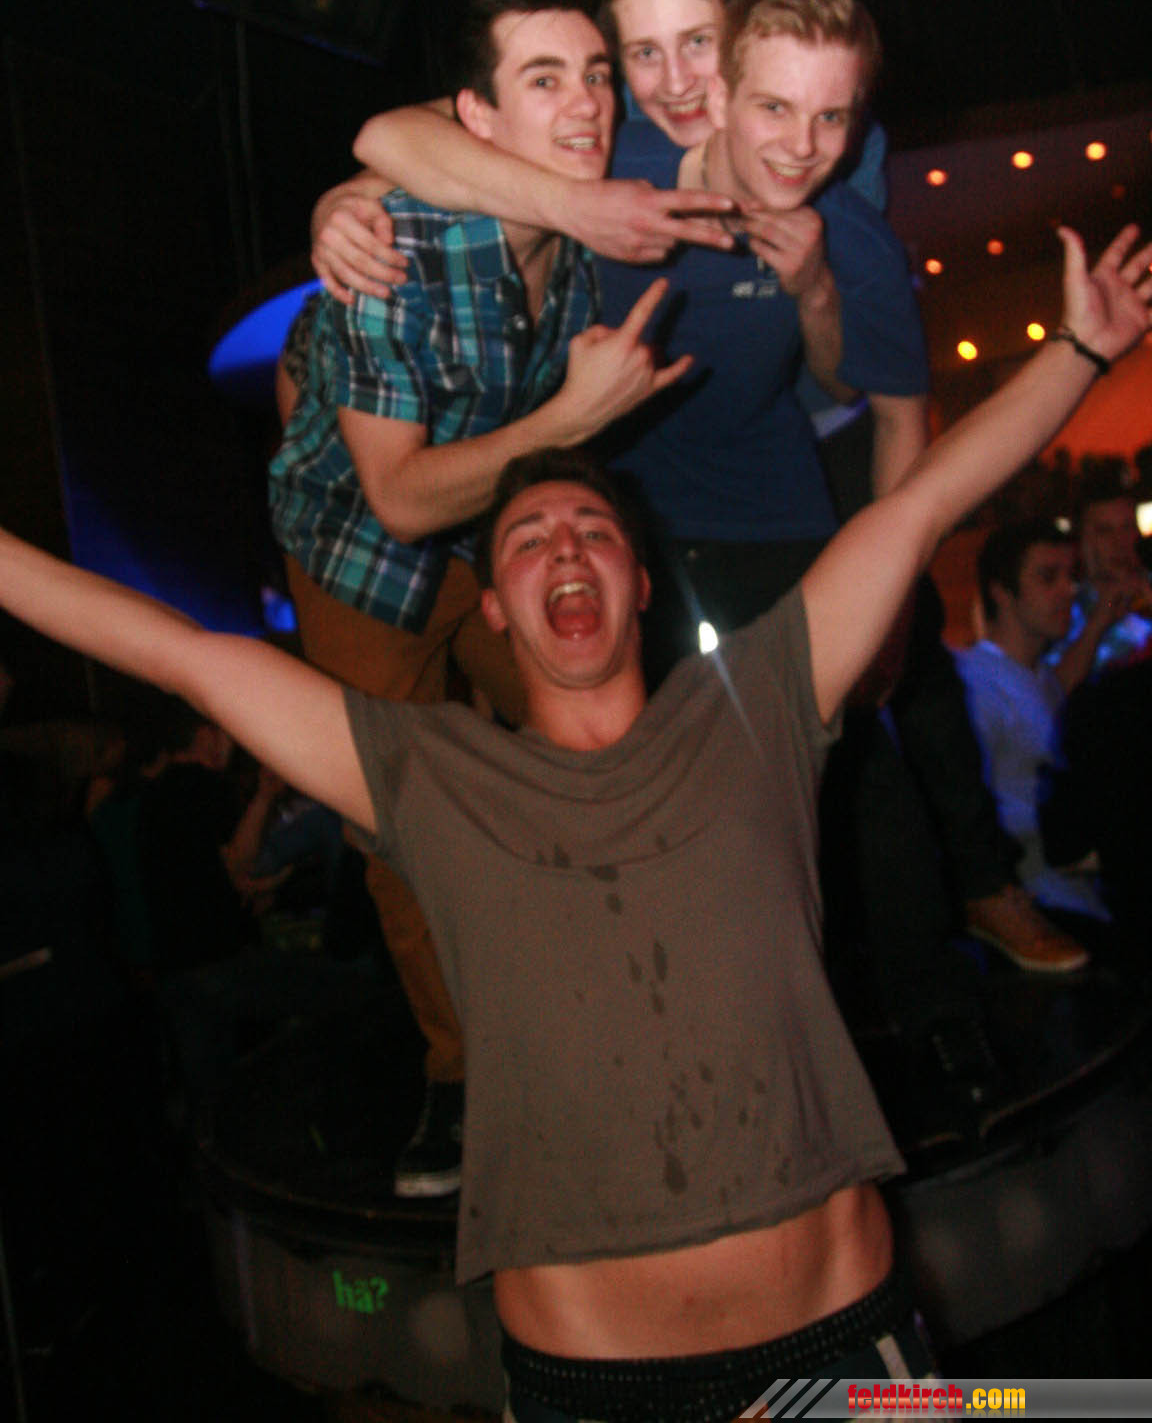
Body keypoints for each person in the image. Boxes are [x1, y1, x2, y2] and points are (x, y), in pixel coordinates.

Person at [1, 222, 1147, 1417]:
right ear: (496, 608)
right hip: (590, 1392)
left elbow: (918, 509)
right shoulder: (427, 771)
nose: (566, 548)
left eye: (596, 532)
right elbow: (181, 655)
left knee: (1088, 1411)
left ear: (639, 584)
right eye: (529, 540)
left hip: (841, 1367)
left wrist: (1081, 351)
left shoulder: (758, 702)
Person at [267, 0, 692, 1197]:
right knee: (407, 826)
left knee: (605, 750)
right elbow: (400, 499)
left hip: (489, 542)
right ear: (478, 119)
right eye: (544, 80)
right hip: (358, 557)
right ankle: (465, 1078)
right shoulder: (395, 250)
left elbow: (390, 138)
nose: (588, 105)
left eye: (596, 75)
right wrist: (573, 417)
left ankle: (640, 1010)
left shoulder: (602, 208)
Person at [314, 0, 929, 661]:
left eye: (830, 117)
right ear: (725, 99)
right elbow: (404, 138)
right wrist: (345, 199)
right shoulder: (608, 162)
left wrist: (895, 601)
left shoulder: (857, 238)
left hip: (773, 516)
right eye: (774, 107)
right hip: (615, 519)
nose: (800, 144)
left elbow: (882, 410)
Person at [956, 518, 1114, 920]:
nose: (1069, 589)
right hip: (1036, 909)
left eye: (1070, 576)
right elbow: (969, 814)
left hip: (1076, 897)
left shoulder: (1038, 676)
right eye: (1048, 577)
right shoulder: (976, 684)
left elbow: (1054, 692)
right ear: (1001, 591)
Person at [1049, 479, 1152, 678]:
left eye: (1127, 527)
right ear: (1083, 541)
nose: (1119, 542)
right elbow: (1055, 690)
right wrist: (1098, 623)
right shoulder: (1065, 611)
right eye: (1104, 531)